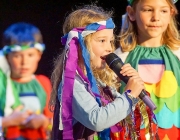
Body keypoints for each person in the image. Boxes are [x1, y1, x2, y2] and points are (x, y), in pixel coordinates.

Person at [49, 5, 145, 140]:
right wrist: (129, 96)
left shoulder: (96, 82)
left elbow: (117, 114)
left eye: (110, 41)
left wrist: (133, 86)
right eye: (102, 41)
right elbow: (97, 120)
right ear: (79, 43)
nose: (109, 48)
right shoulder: (72, 84)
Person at [115, 0, 180, 139]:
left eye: (163, 11)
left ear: (171, 13)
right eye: (148, 10)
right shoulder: (119, 58)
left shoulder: (178, 56)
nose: (156, 17)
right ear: (132, 13)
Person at [0, 22, 53, 140]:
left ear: (39, 55)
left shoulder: (42, 83)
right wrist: (7, 121)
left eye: (30, 55)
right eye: (17, 56)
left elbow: (54, 121)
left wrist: (44, 121)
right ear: (7, 57)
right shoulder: (2, 85)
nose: (24, 62)